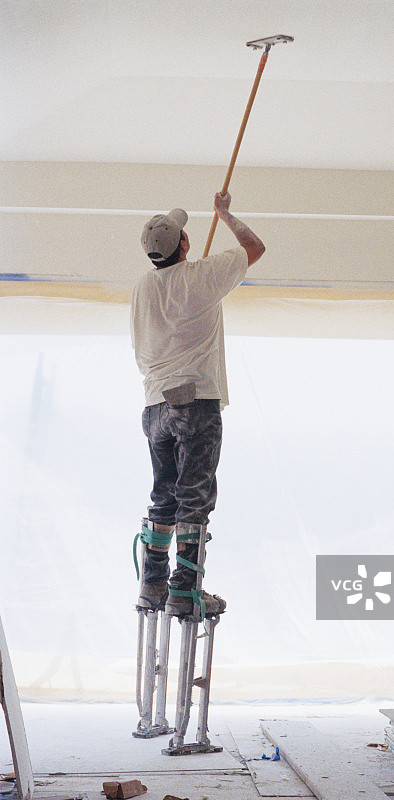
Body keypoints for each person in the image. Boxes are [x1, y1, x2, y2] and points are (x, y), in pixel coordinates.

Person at [131, 192, 265, 615]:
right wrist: (225, 214)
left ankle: (152, 585)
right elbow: (255, 249)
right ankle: (183, 592)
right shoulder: (203, 277)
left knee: (163, 498)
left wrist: (189, 272)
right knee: (194, 498)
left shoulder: (142, 288)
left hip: (154, 406)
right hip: (195, 402)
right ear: (184, 243)